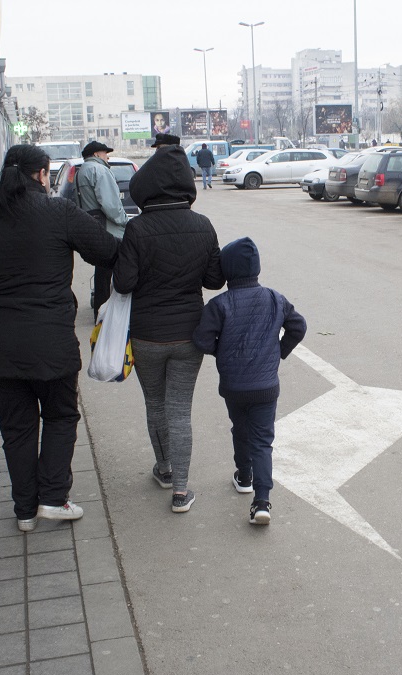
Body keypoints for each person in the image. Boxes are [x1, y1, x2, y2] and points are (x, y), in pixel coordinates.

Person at [0, 144, 120, 532]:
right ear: (41, 175)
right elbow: (108, 251)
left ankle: (25, 510)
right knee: (60, 415)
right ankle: (53, 498)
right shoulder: (59, 212)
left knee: (17, 427)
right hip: (50, 341)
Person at [113, 139, 224, 513]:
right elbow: (213, 281)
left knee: (155, 405)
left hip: (146, 335)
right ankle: (181, 490)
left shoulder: (137, 229)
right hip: (190, 335)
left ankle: (163, 468)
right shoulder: (202, 225)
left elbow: (124, 283)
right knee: (180, 410)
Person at [192, 237, 307, 525]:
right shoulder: (274, 298)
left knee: (240, 428)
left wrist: (224, 352)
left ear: (227, 271)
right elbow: (298, 326)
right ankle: (262, 501)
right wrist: (279, 352)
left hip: (233, 386)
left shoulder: (220, 304)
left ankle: (244, 476)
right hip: (266, 386)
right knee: (263, 441)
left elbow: (202, 339)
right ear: (257, 267)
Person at [76, 141, 128, 319]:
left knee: (102, 272)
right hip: (110, 229)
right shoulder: (99, 170)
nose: (108, 157)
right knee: (116, 268)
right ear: (97, 154)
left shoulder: (81, 171)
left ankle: (100, 309)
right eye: (105, 153)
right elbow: (111, 204)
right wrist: (125, 221)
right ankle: (111, 312)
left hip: (94, 226)